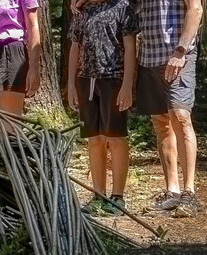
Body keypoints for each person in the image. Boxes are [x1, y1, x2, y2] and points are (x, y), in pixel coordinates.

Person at [66, 0, 138, 216]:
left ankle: (117, 197)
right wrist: (71, 84)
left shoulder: (122, 8)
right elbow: (74, 47)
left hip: (113, 79)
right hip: (86, 79)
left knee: (115, 138)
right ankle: (98, 195)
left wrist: (127, 85)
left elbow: (130, 48)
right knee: (95, 139)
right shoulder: (82, 10)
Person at [134, 0, 205, 217]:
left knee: (180, 116)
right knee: (161, 122)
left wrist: (181, 51)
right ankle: (172, 191)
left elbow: (196, 9)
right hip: (148, 57)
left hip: (179, 55)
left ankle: (189, 192)